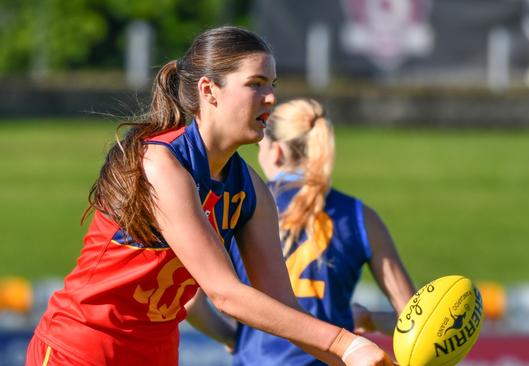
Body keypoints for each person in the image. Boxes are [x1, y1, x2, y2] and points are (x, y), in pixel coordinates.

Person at [24, 26, 394, 366]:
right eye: (256, 84)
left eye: (273, 85)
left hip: (156, 354)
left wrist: (350, 358)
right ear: (208, 91)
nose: (270, 98)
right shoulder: (160, 162)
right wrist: (346, 344)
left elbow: (283, 308)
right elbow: (224, 293)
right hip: (82, 348)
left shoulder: (251, 190)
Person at [185, 98, 416, 365]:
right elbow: (415, 322)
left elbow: (191, 302)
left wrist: (234, 339)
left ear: (277, 152)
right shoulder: (360, 217)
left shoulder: (240, 204)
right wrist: (370, 319)